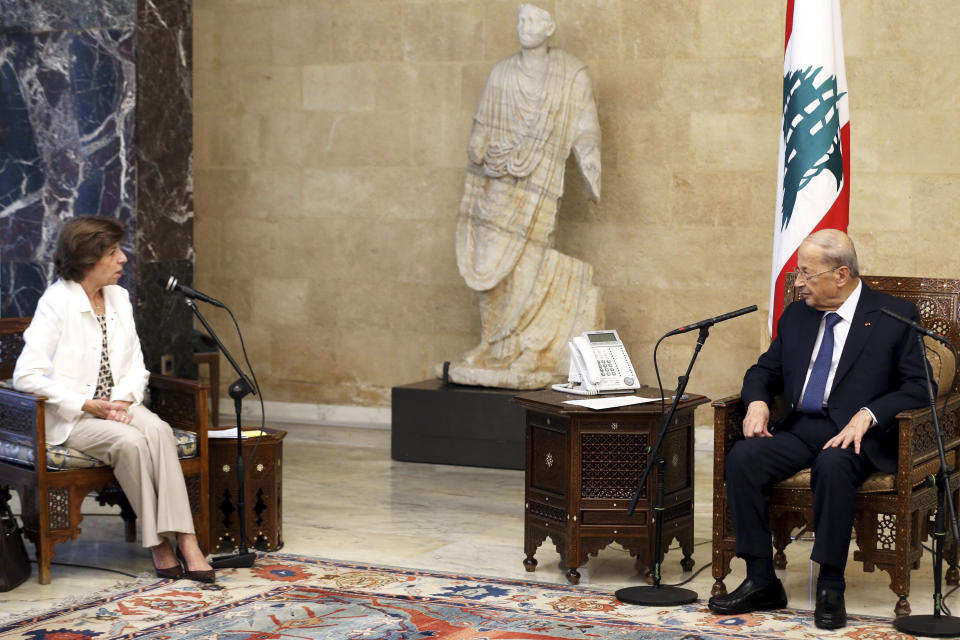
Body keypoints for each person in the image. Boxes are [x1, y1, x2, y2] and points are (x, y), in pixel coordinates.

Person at [707, 229, 930, 629]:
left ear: (841, 275)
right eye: (798, 273)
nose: (797, 282)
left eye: (806, 273)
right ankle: (761, 578)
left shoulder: (893, 316)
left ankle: (830, 584)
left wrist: (869, 414)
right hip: (801, 426)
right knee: (744, 457)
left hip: (857, 434)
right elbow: (764, 370)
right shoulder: (797, 315)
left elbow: (920, 385)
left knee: (833, 466)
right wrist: (757, 400)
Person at [13, 216, 215, 583]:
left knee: (158, 430)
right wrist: (87, 405)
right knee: (132, 442)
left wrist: (121, 402)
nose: (123, 259)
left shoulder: (119, 298)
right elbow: (25, 375)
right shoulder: (56, 302)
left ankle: (186, 539)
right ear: (89, 259)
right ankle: (159, 544)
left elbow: (137, 364)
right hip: (73, 419)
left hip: (119, 407)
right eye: (113, 252)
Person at [448, 3, 604, 389]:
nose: (524, 27)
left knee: (529, 262)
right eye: (520, 20)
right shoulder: (502, 72)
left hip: (539, 179)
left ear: (549, 27)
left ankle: (527, 348)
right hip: (497, 178)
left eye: (533, 20)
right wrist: (478, 144)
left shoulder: (570, 73)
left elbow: (586, 124)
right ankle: (491, 344)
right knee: (488, 263)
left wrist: (589, 167)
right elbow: (483, 122)